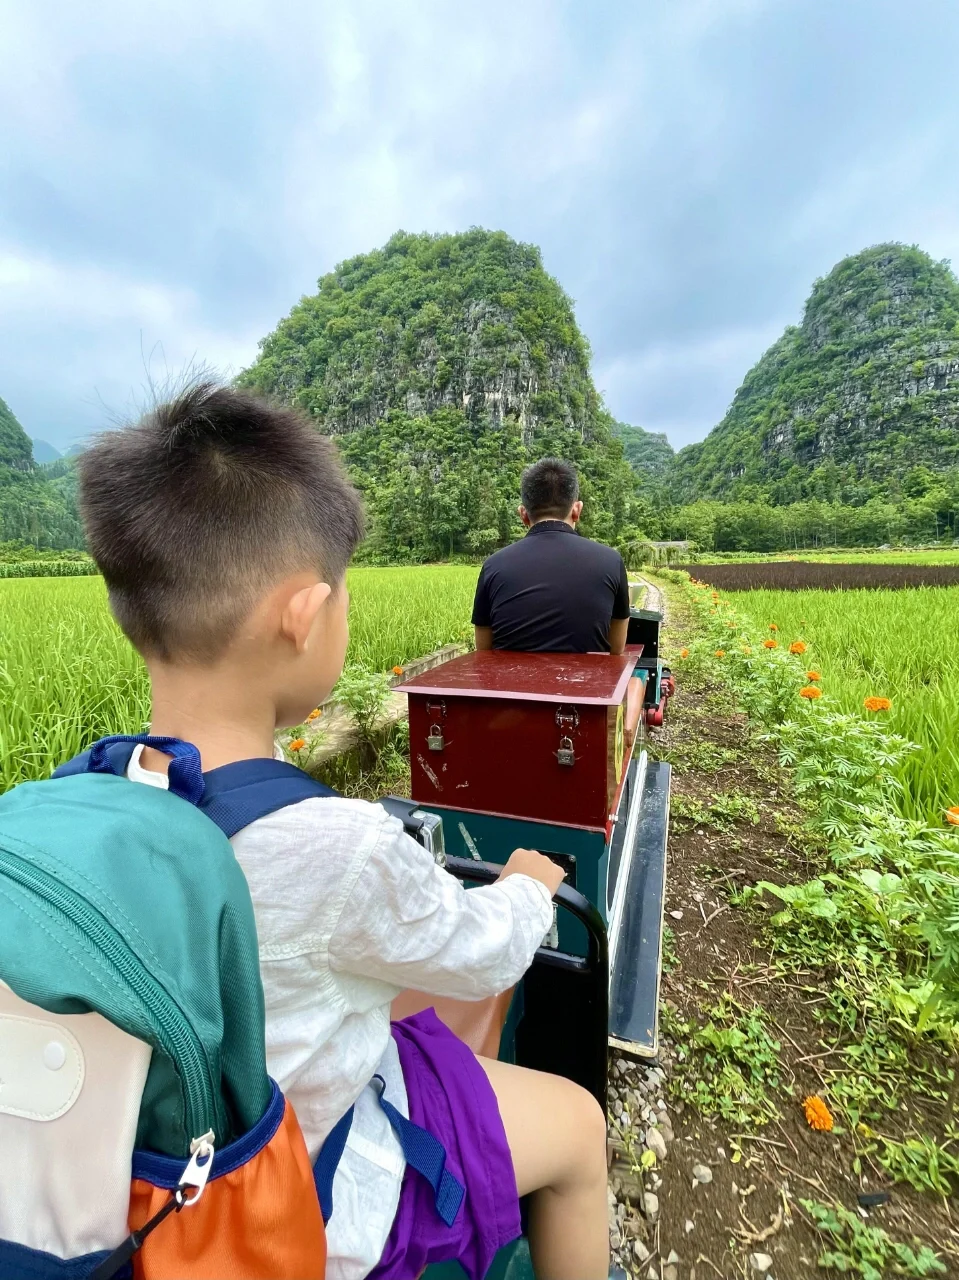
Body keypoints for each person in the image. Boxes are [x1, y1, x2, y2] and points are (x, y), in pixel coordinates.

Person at [76, 383, 609, 1280]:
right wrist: (526, 882)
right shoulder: (341, 846)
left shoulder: (82, 799)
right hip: (301, 1193)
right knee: (578, 1128)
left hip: (146, 1184)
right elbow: (482, 956)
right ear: (303, 613)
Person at [472, 458, 631, 655]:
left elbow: (483, 651)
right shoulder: (611, 561)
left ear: (523, 514)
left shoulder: (493, 566)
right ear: (577, 510)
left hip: (512, 685)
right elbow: (616, 649)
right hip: (586, 685)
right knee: (635, 685)